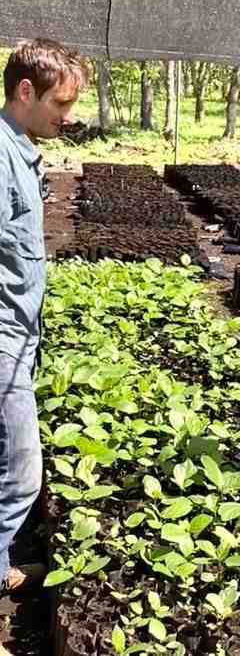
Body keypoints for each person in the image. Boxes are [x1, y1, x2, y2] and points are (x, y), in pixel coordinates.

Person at [0, 39, 85, 655]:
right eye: (61, 103)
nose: (69, 116)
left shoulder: (21, 151)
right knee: (23, 476)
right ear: (25, 91)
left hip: (19, 333)